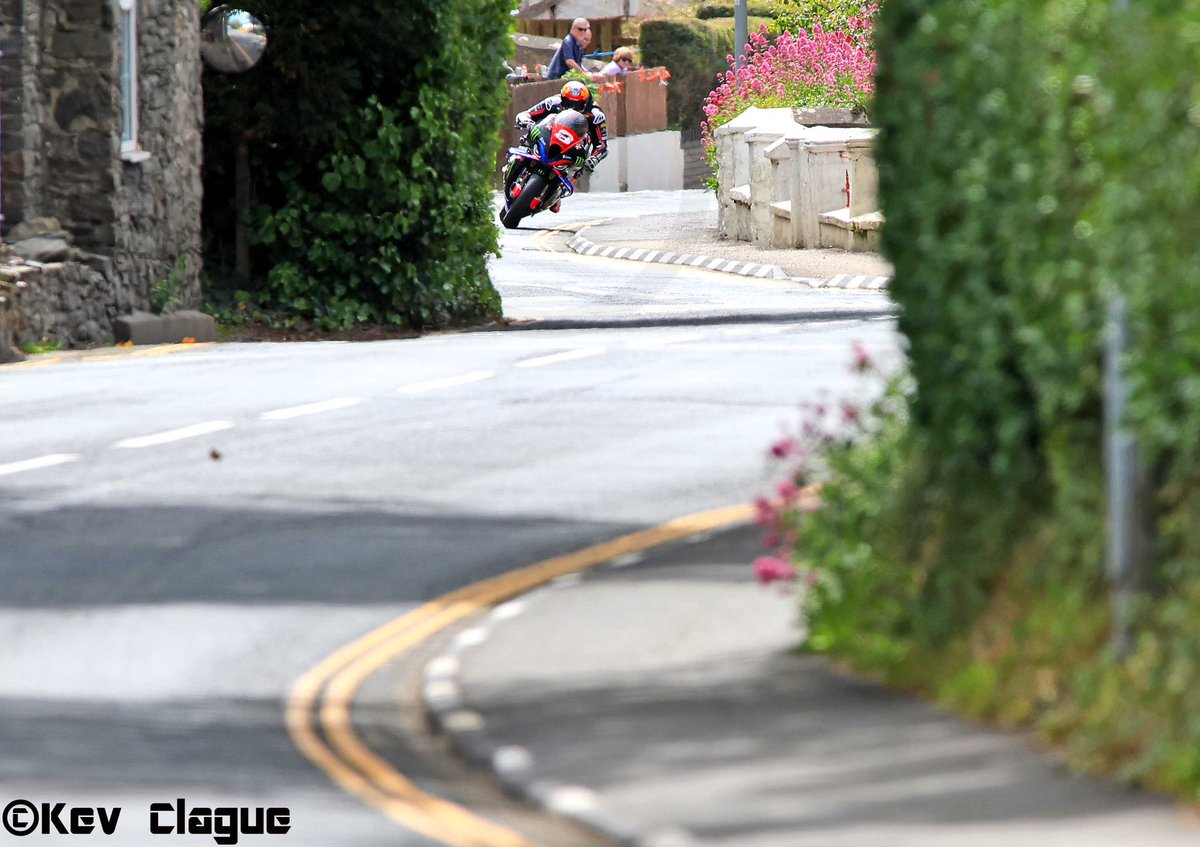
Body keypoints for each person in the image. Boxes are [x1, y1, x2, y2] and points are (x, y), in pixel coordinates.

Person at [509, 80, 609, 212]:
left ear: (585, 102)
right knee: (528, 139)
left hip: (573, 151)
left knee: (577, 169)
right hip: (548, 138)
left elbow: (601, 145)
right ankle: (519, 162)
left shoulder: (595, 115)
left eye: (577, 104)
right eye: (568, 102)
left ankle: (557, 193)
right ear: (562, 98)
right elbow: (527, 113)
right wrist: (526, 122)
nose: (572, 107)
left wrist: (593, 159)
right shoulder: (553, 103)